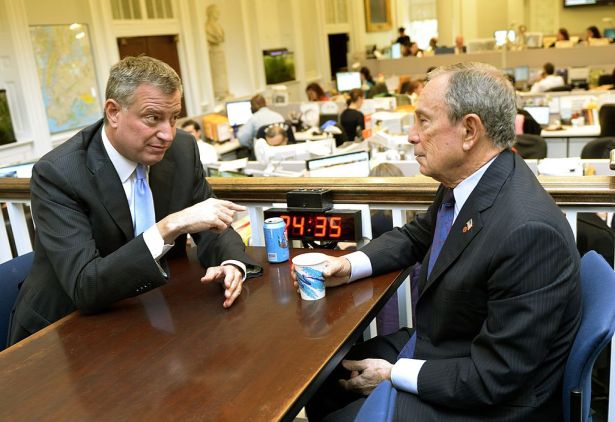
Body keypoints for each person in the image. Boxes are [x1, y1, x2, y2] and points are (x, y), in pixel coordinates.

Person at [300, 62, 581, 421]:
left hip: (492, 399)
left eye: (423, 121)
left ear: (469, 131)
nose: (411, 136)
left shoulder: (529, 233)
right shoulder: (470, 180)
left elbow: (495, 376)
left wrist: (393, 374)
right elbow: (416, 236)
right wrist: (348, 264)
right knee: (325, 380)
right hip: (451, 348)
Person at [8, 56, 263, 346]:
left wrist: (232, 264)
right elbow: (85, 286)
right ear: (114, 112)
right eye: (153, 118)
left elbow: (212, 223)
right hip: (60, 332)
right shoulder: (59, 173)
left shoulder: (181, 149)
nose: (168, 134)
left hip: (146, 314)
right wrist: (169, 227)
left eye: (174, 117)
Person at [205, 4, 230, 100]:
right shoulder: (208, 26)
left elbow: (221, 38)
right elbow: (213, 38)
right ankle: (220, 93)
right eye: (216, 12)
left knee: (223, 73)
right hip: (214, 52)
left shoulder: (218, 25)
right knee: (217, 73)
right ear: (211, 12)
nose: (218, 14)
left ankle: (224, 91)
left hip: (220, 52)